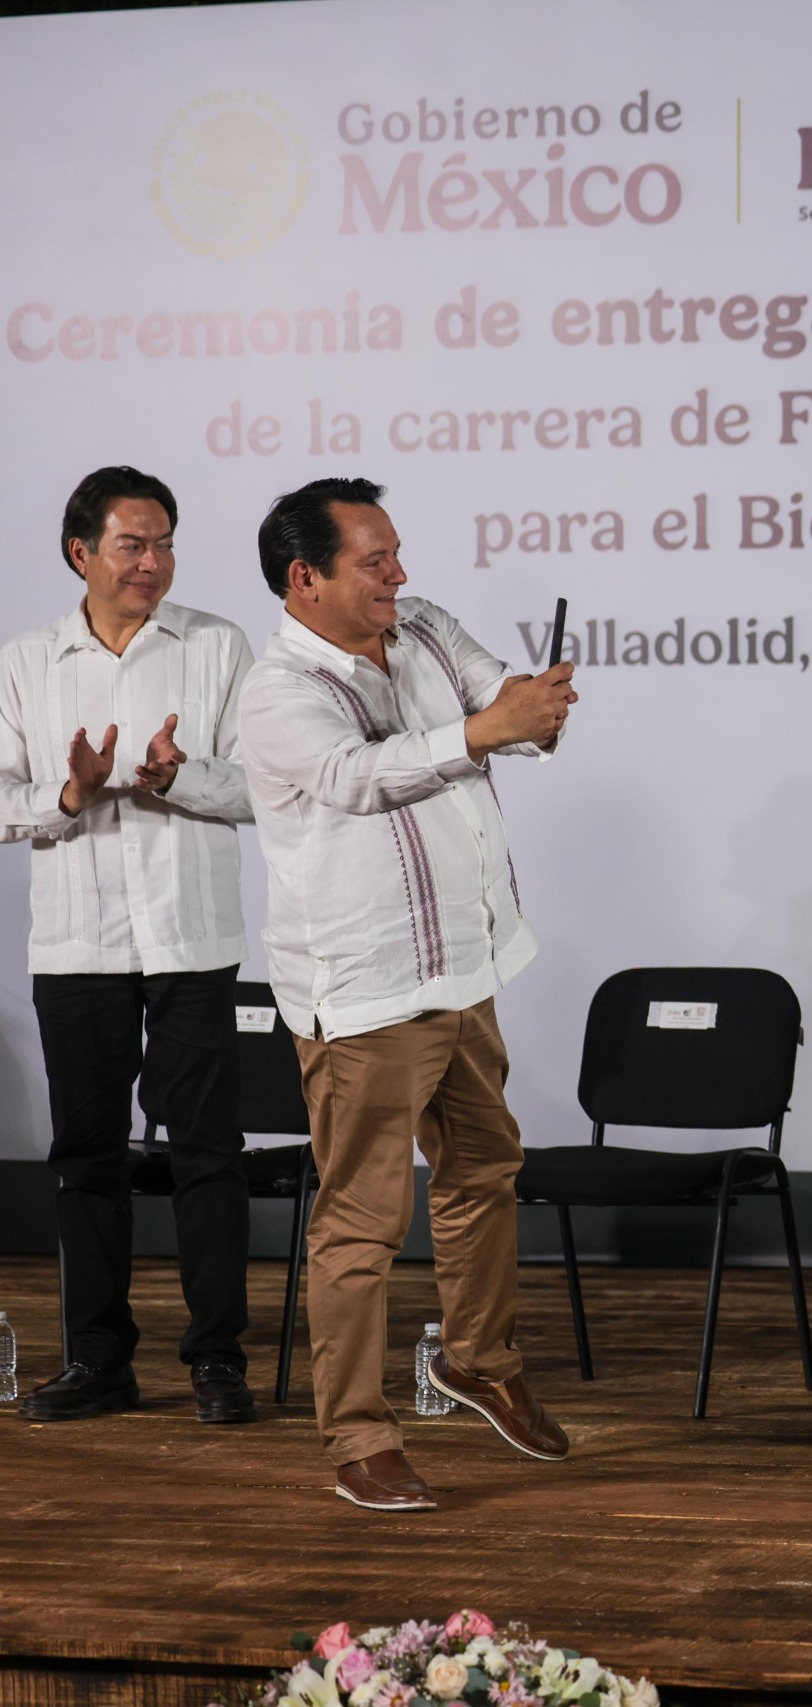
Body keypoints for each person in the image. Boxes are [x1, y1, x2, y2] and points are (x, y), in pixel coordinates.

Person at [239, 477, 577, 1512]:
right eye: (373, 562)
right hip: (368, 988)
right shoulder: (277, 690)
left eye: (395, 554)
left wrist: (534, 714)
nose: (400, 576)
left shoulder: (422, 626)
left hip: (463, 965)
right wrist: (488, 731)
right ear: (306, 579)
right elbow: (358, 774)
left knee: (485, 1168)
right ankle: (356, 1434)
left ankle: (476, 1358)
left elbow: (500, 713)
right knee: (363, 1223)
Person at [0, 467, 257, 1425]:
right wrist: (66, 797)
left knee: (207, 1152)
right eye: (131, 546)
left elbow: (264, 789)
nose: (153, 563)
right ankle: (98, 1360)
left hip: (192, 937)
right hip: (77, 945)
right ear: (82, 553)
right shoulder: (26, 659)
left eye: (164, 544)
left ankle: (216, 1361)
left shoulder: (218, 644)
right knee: (86, 1156)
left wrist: (179, 777)